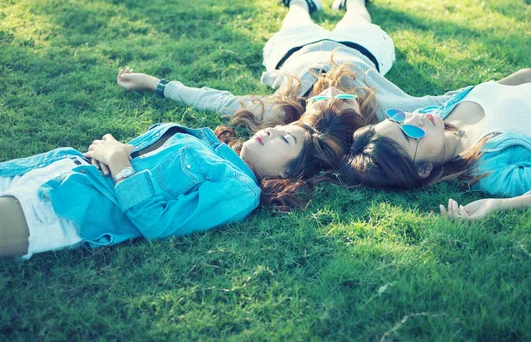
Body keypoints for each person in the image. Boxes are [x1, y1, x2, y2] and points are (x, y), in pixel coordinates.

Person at [0, 93, 366, 258]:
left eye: (285, 139)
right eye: (283, 128)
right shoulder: (208, 141)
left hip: (66, 208)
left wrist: (119, 163)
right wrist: (121, 149)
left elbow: (157, 224)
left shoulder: (239, 190)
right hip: (53, 168)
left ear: (287, 174)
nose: (271, 131)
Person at [117, 0, 462, 130]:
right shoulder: (386, 109)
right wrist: (505, 85)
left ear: (306, 114)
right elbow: (447, 101)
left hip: (294, 49)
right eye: (346, 98)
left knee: (295, 17)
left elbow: (216, 101)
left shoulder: (283, 111)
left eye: (321, 101)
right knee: (358, 15)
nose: (331, 90)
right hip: (361, 48)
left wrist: (155, 84)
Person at [339, 69, 531, 220]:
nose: (415, 117)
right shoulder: (489, 169)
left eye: (398, 117)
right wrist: (497, 205)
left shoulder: (439, 113)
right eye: (409, 132)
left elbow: (495, 93)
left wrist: (519, 79)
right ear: (423, 169)